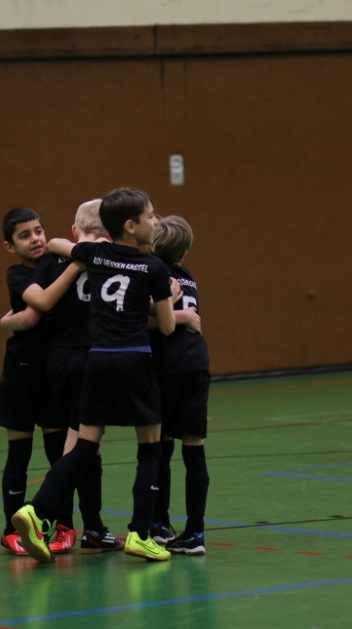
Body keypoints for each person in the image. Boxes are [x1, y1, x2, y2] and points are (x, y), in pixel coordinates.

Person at [11, 187, 179, 564]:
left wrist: (82, 248)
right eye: (151, 216)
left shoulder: (95, 254)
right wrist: (170, 295)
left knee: (85, 446)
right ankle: (140, 534)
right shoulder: (153, 267)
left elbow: (56, 243)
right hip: (135, 360)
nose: (156, 222)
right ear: (131, 226)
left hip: (97, 360)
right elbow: (167, 327)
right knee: (150, 447)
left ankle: (35, 510)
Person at [23, 199, 124, 554]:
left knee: (86, 443)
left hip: (58, 359)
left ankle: (92, 527)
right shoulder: (112, 258)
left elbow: (36, 309)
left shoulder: (52, 259)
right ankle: (42, 515)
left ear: (74, 230)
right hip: (93, 357)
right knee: (83, 446)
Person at [0, 208, 81, 555]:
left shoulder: (57, 263)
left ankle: (64, 525)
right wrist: (77, 264)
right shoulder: (17, 274)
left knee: (59, 453)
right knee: (19, 452)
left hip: (53, 373)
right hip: (21, 372)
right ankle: (10, 530)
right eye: (25, 235)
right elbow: (36, 309)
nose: (35, 239)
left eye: (38, 231)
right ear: (10, 246)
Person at [148, 215, 210, 556]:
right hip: (197, 361)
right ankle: (196, 531)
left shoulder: (153, 272)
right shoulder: (188, 276)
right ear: (184, 251)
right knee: (194, 445)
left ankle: (159, 523)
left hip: (167, 363)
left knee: (160, 443)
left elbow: (144, 317)